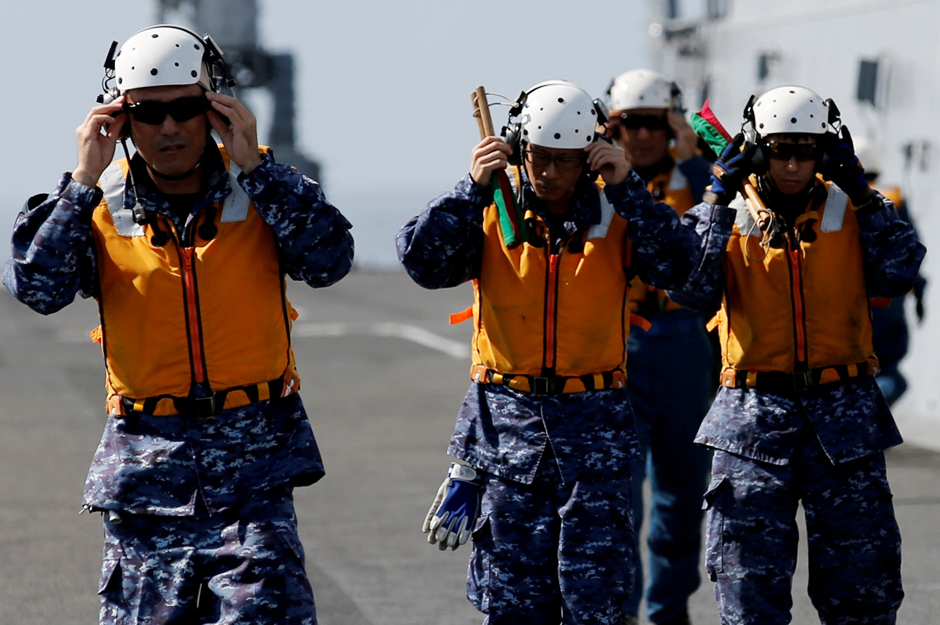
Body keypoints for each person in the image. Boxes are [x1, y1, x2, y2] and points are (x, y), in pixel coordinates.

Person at [3, 24, 354, 624]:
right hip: (145, 478)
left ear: (215, 106)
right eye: (148, 112)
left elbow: (328, 262)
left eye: (186, 108)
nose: (169, 128)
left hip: (254, 473)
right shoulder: (95, 206)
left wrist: (259, 168)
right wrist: (83, 180)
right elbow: (36, 288)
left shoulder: (263, 191)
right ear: (120, 118)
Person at [396, 80, 729, 625]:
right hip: (507, 442)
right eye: (539, 158)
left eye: (566, 161)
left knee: (597, 605)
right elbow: (421, 261)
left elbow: (683, 270)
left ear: (590, 157)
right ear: (517, 148)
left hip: (594, 440)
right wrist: (470, 186)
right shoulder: (488, 208)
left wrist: (628, 189)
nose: (549, 172)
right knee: (510, 608)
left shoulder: (618, 214)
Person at [667, 85, 924, 624]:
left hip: (845, 420)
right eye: (779, 150)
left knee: (863, 595)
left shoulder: (851, 206)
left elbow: (899, 271)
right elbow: (687, 287)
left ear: (824, 151)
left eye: (806, 151)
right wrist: (716, 197)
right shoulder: (727, 213)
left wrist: (861, 190)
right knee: (749, 597)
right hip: (751, 424)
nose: (792, 164)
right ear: (757, 150)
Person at [606, 68, 715, 625]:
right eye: (630, 123)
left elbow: (726, 211)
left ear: (672, 123)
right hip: (616, 345)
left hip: (683, 345)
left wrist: (694, 155)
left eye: (655, 123)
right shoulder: (594, 180)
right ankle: (622, 611)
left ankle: (668, 611)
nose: (643, 135)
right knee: (620, 493)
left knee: (680, 490)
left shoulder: (699, 177)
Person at [853, 137, 928, 406]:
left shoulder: (831, 200)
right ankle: (866, 418)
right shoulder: (891, 199)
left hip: (847, 305)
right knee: (889, 373)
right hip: (888, 307)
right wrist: (920, 292)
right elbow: (909, 252)